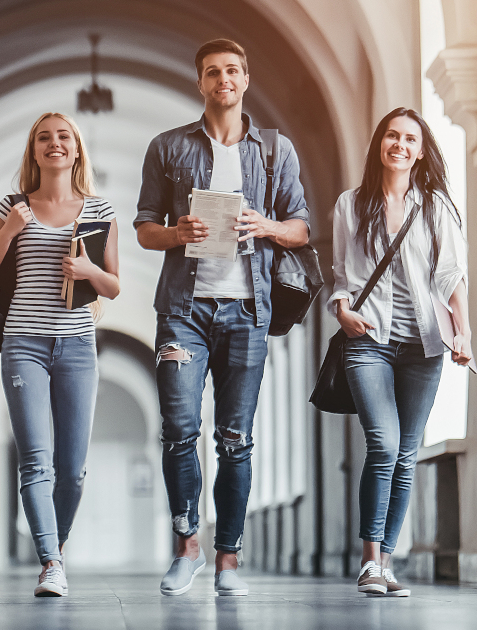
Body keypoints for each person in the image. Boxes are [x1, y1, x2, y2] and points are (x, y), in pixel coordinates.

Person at [135, 38, 310, 597]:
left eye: (232, 70)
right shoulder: (168, 147)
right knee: (180, 432)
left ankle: (228, 561)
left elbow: (302, 227)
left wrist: (267, 227)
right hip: (183, 312)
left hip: (247, 309)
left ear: (246, 78)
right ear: (201, 83)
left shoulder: (274, 151)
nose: (223, 80)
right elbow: (143, 228)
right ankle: (187, 547)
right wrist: (176, 232)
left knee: (235, 439)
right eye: (213, 72)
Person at [0, 112, 120, 597]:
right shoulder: (12, 206)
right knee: (37, 461)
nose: (54, 144)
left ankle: (56, 545)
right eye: (44, 138)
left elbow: (114, 287)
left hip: (77, 346)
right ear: (33, 151)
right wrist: (11, 230)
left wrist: (87, 271)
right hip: (24, 345)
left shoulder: (100, 211)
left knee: (72, 470)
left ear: (77, 149)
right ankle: (51, 561)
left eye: (63, 137)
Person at [329, 107, 472, 597]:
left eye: (410, 138)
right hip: (368, 340)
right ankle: (370, 561)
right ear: (380, 144)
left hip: (424, 345)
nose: (400, 145)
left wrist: (464, 332)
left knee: (406, 454)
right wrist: (342, 312)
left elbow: (451, 275)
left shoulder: (434, 206)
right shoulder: (351, 204)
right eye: (392, 136)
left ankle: (387, 562)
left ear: (421, 149)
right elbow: (342, 274)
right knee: (384, 445)